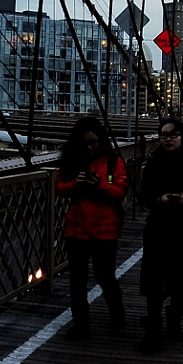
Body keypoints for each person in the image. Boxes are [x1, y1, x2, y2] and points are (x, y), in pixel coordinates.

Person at [136, 116, 183, 353]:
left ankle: (175, 317)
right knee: (154, 279)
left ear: (182, 138)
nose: (167, 139)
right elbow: (143, 196)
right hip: (157, 226)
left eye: (172, 135)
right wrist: (160, 200)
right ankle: (154, 329)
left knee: (180, 278)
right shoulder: (152, 163)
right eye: (163, 135)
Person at [55, 115, 127, 340]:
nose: (89, 147)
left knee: (104, 276)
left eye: (93, 142)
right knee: (77, 280)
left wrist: (100, 185)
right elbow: (60, 187)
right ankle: (81, 325)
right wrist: (77, 182)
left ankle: (117, 311)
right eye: (85, 142)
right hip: (77, 228)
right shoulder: (71, 162)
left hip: (105, 229)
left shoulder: (113, 161)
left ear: (101, 140)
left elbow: (121, 190)